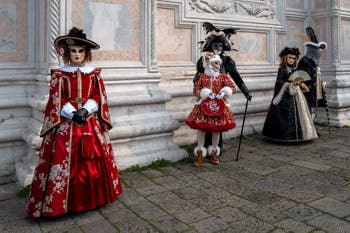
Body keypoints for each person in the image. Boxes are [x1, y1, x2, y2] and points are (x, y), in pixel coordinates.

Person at [26, 27, 122, 218]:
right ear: (67, 53)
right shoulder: (60, 74)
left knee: (91, 160)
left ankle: (93, 199)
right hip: (66, 124)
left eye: (80, 51)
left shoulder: (93, 74)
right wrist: (71, 113)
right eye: (73, 51)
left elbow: (98, 95)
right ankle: (61, 205)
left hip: (89, 122)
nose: (77, 55)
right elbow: (56, 99)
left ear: (86, 53)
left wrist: (86, 109)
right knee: (64, 159)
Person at [195, 22, 252, 149]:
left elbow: (236, 77)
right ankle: (202, 147)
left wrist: (246, 91)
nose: (218, 47)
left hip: (221, 96)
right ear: (211, 46)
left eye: (220, 45)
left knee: (217, 123)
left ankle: (215, 149)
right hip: (206, 97)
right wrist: (200, 92)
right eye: (215, 44)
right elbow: (197, 78)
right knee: (204, 122)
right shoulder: (203, 60)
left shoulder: (227, 61)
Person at [186, 54, 236, 166]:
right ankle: (199, 152)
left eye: (219, 64)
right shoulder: (202, 76)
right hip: (204, 106)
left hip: (219, 106)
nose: (218, 66)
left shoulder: (223, 77)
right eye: (216, 63)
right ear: (209, 64)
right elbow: (196, 90)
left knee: (217, 130)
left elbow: (232, 87)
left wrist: (224, 92)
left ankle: (213, 152)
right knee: (201, 129)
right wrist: (204, 93)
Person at [262, 47, 318, 142]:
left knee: (299, 112)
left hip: (295, 93)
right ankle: (285, 135)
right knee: (285, 114)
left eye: (293, 58)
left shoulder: (292, 70)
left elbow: (296, 79)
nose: (291, 60)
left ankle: (299, 134)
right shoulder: (282, 69)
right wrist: (289, 84)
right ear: (285, 58)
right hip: (284, 96)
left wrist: (301, 84)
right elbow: (279, 82)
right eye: (290, 58)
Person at [297, 27, 327, 114]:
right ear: (313, 51)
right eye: (317, 50)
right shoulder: (305, 61)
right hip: (306, 90)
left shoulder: (314, 62)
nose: (319, 52)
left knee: (311, 109)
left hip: (314, 89)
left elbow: (315, 76)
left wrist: (320, 84)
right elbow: (301, 77)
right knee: (306, 110)